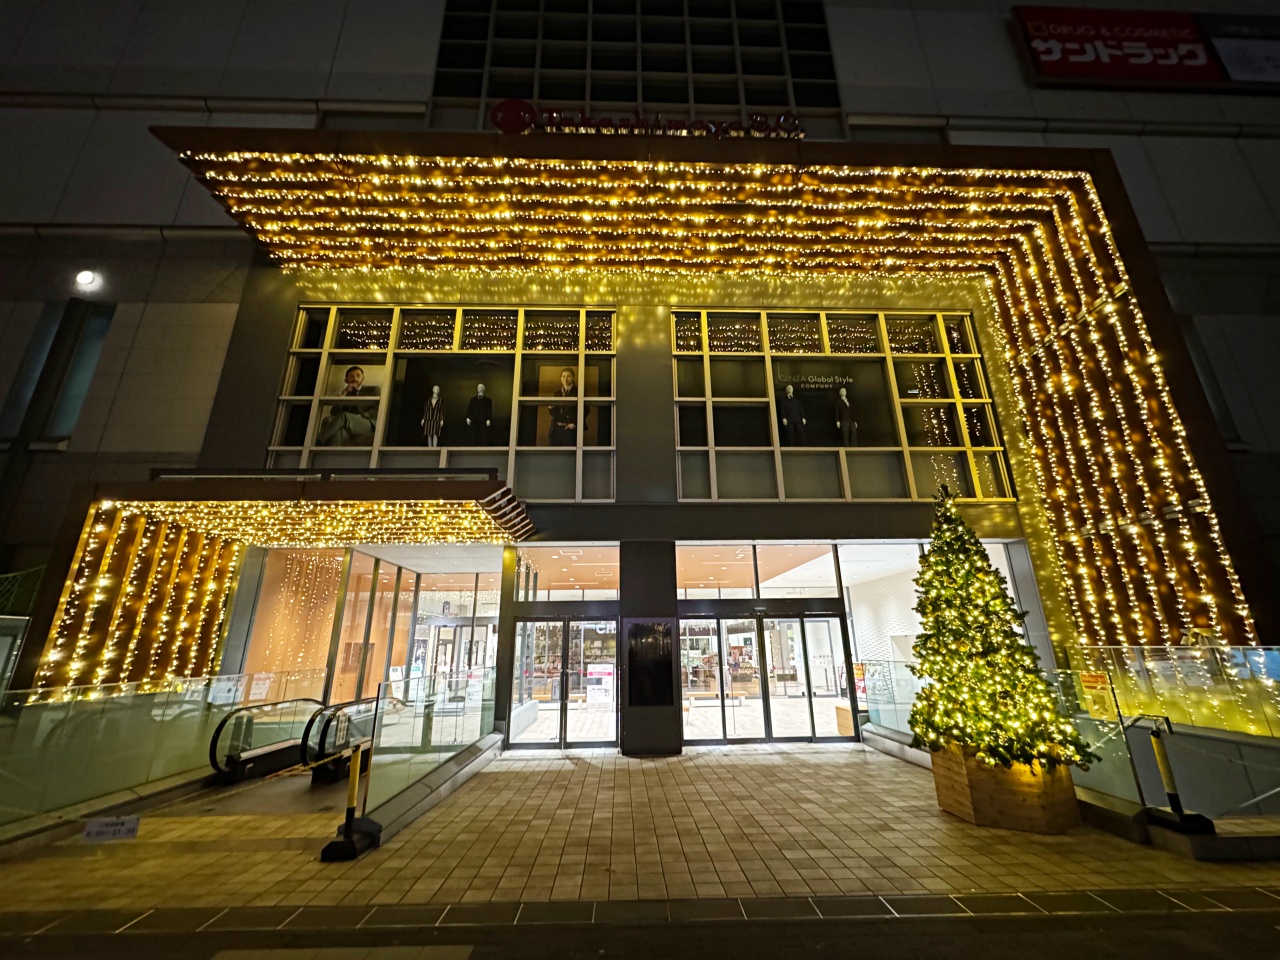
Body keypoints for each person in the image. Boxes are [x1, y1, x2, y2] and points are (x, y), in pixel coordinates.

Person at [317, 365, 378, 446]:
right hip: (349, 426)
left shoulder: (373, 390)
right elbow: (334, 412)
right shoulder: (347, 393)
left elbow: (377, 410)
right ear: (346, 380)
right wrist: (344, 394)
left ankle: (317, 441)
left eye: (358, 375)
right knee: (339, 433)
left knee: (344, 416)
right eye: (351, 376)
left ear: (363, 378)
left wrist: (359, 416)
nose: (355, 378)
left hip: (367, 424)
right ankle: (328, 453)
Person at [548, 367, 580, 446]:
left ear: (573, 378)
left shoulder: (578, 392)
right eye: (563, 376)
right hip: (556, 429)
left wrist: (575, 423)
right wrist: (550, 408)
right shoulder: (557, 393)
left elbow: (585, 409)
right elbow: (554, 413)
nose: (565, 379)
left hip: (570, 429)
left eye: (568, 376)